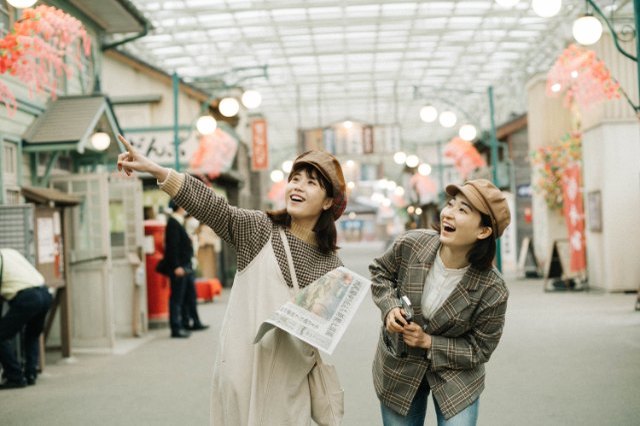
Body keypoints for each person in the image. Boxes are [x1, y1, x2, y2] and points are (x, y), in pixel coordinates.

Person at [116, 134, 347, 425]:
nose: (298, 186)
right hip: (241, 376)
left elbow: (322, 332)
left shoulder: (332, 266)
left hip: (290, 387)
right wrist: (157, 170)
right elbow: (212, 207)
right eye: (295, 178)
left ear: (328, 202)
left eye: (311, 182)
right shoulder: (258, 229)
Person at [370, 179, 511, 425]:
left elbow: (480, 349)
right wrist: (389, 307)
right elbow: (380, 272)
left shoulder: (493, 289)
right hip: (400, 365)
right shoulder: (412, 243)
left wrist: (429, 342)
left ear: (484, 231)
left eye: (462, 210)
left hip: (456, 376)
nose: (448, 213)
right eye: (451, 205)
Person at [0, 248, 53, 389]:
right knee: (32, 335)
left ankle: (15, 376)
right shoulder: (9, 252)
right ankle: (30, 374)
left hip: (28, 298)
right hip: (45, 293)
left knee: (1, 337)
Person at [164, 200, 207, 338]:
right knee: (177, 298)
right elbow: (173, 247)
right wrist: (176, 266)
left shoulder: (178, 222)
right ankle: (176, 327)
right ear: (179, 207)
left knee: (187, 296)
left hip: (185, 265)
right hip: (180, 267)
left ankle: (185, 323)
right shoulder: (173, 223)